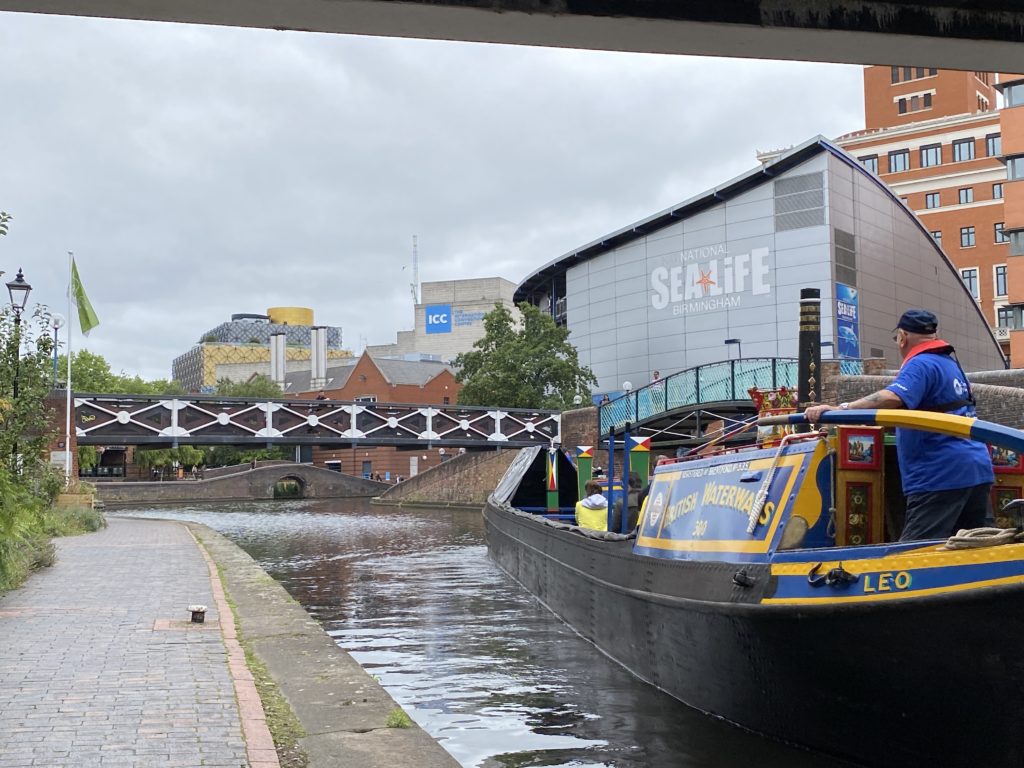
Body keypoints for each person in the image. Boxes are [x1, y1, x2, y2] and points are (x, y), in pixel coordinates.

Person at [804, 309, 993, 541]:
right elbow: (936, 410)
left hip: (940, 473)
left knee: (913, 552)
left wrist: (841, 409)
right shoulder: (950, 364)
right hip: (977, 466)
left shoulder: (920, 364)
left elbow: (893, 397)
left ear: (902, 337)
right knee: (976, 547)